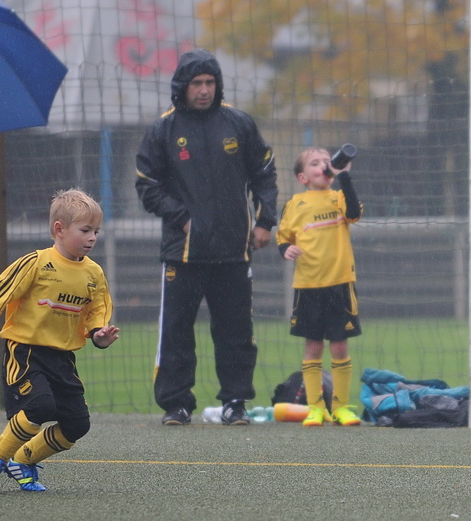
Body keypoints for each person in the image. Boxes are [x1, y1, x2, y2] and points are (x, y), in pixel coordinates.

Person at [136, 49, 278, 427]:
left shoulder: (239, 123)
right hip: (182, 254)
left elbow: (265, 172)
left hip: (234, 252)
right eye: (197, 83)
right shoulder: (163, 130)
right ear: (182, 86)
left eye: (210, 82)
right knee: (176, 332)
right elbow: (147, 184)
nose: (204, 90)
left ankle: (235, 402)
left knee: (236, 332)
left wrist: (265, 221)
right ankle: (177, 405)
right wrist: (181, 218)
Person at [0, 189, 118, 492]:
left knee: (78, 424)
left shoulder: (94, 273)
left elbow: (96, 320)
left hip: (62, 358)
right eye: (85, 230)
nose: (92, 238)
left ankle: (23, 460)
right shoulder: (36, 263)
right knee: (39, 405)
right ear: (59, 229)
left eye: (96, 231)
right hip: (25, 352)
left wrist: (100, 337)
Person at [277, 147, 363, 427]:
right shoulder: (294, 204)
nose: (324, 165)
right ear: (302, 177)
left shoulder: (339, 197)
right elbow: (283, 237)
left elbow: (354, 213)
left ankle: (341, 407)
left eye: (327, 161)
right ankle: (316, 408)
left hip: (340, 284)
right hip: (308, 285)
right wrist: (286, 249)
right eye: (315, 163)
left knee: (339, 346)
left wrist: (344, 176)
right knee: (313, 346)